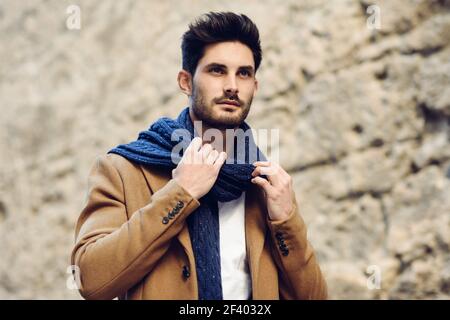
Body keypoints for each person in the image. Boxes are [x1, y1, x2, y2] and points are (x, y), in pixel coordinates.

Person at [71, 11, 327, 300]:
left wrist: (286, 221)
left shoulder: (264, 184)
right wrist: (180, 193)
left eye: (244, 73)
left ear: (254, 87)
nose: (232, 85)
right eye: (217, 70)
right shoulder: (122, 170)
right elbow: (90, 280)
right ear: (186, 82)